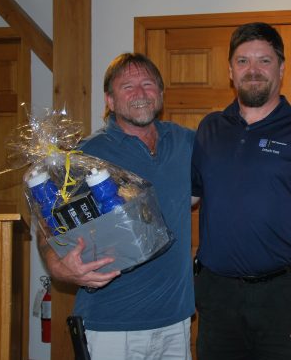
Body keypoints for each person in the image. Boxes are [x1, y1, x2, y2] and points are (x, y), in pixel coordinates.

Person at [191, 22, 291, 359]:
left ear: (281, 68)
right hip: (218, 301)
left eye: (264, 60)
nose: (253, 70)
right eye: (243, 61)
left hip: (288, 299)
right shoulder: (209, 129)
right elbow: (186, 197)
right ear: (231, 71)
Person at [37, 52, 195, 359]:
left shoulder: (184, 142)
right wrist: (59, 267)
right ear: (110, 100)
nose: (140, 93)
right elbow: (46, 224)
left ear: (160, 93)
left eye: (148, 84)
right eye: (127, 86)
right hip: (111, 322)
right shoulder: (86, 156)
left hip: (176, 320)